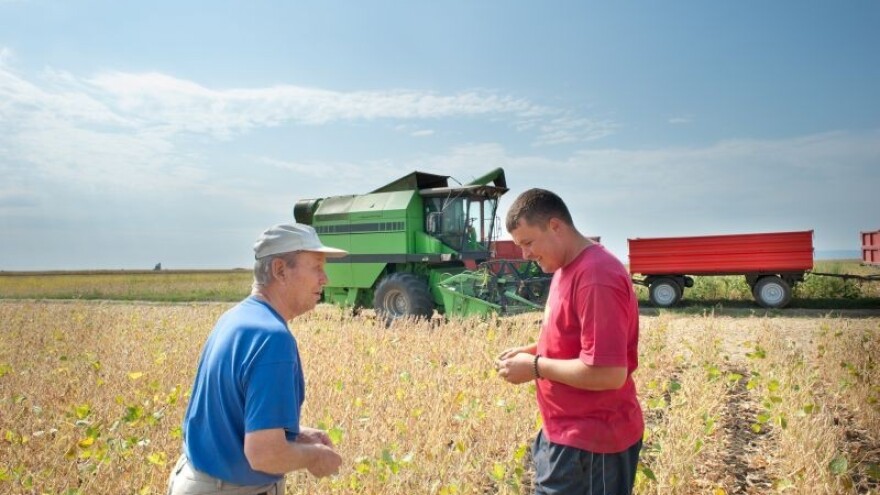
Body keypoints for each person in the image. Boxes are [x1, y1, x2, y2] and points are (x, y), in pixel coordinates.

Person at [168, 223, 348, 495]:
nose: (325, 279)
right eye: (316, 267)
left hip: (196, 480)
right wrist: (314, 456)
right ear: (279, 270)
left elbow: (231, 419)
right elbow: (264, 454)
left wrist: (295, 436)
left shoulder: (236, 319)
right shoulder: (272, 339)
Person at [495, 189, 643, 495]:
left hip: (592, 446)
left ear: (555, 227)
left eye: (528, 243)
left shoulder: (596, 276)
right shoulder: (566, 267)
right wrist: (533, 351)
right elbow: (579, 340)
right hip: (564, 434)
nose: (525, 255)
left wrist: (535, 366)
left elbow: (608, 372)